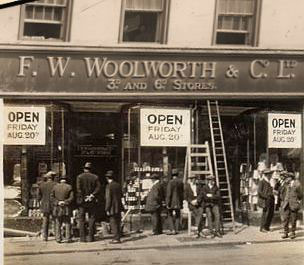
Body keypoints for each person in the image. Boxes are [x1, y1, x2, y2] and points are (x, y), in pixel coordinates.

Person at [76, 162, 101, 242]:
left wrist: (84, 197)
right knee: (92, 218)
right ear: (90, 169)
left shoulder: (79, 177)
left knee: (81, 219)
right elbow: (98, 188)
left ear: (84, 169)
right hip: (92, 201)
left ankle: (82, 238)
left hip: (82, 201)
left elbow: (79, 189)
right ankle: (91, 237)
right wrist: (91, 196)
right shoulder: (95, 177)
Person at [280, 173, 303, 239]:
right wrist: (284, 200)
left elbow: (301, 194)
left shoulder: (297, 184)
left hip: (293, 204)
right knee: (285, 219)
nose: (286, 179)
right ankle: (285, 232)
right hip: (286, 204)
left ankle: (293, 232)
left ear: (291, 178)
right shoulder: (286, 184)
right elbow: (281, 192)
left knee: (293, 219)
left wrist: (297, 201)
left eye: (287, 177)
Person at [51, 175, 74, 243]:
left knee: (58, 222)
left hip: (57, 207)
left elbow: (51, 197)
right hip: (66, 207)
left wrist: (58, 202)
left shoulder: (55, 187)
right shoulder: (69, 187)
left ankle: (58, 238)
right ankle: (68, 238)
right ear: (66, 180)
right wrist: (65, 202)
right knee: (67, 222)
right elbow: (71, 197)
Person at [105, 170, 123, 244]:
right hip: (118, 206)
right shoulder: (118, 185)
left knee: (113, 223)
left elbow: (108, 198)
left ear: (107, 178)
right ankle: (118, 237)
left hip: (112, 207)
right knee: (118, 222)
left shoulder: (108, 186)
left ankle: (116, 238)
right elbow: (121, 196)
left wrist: (107, 209)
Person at [38, 171, 57, 241]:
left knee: (45, 220)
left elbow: (39, 196)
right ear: (53, 177)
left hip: (45, 204)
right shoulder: (56, 185)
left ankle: (44, 236)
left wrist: (40, 201)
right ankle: (56, 235)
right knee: (55, 220)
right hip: (54, 204)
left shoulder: (42, 185)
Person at [166, 169, 184, 235]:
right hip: (179, 201)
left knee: (170, 215)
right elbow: (182, 193)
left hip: (172, 202)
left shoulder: (170, 182)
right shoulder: (181, 182)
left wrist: (167, 203)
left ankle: (172, 229)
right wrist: (181, 202)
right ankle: (177, 229)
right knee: (177, 215)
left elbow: (169, 194)